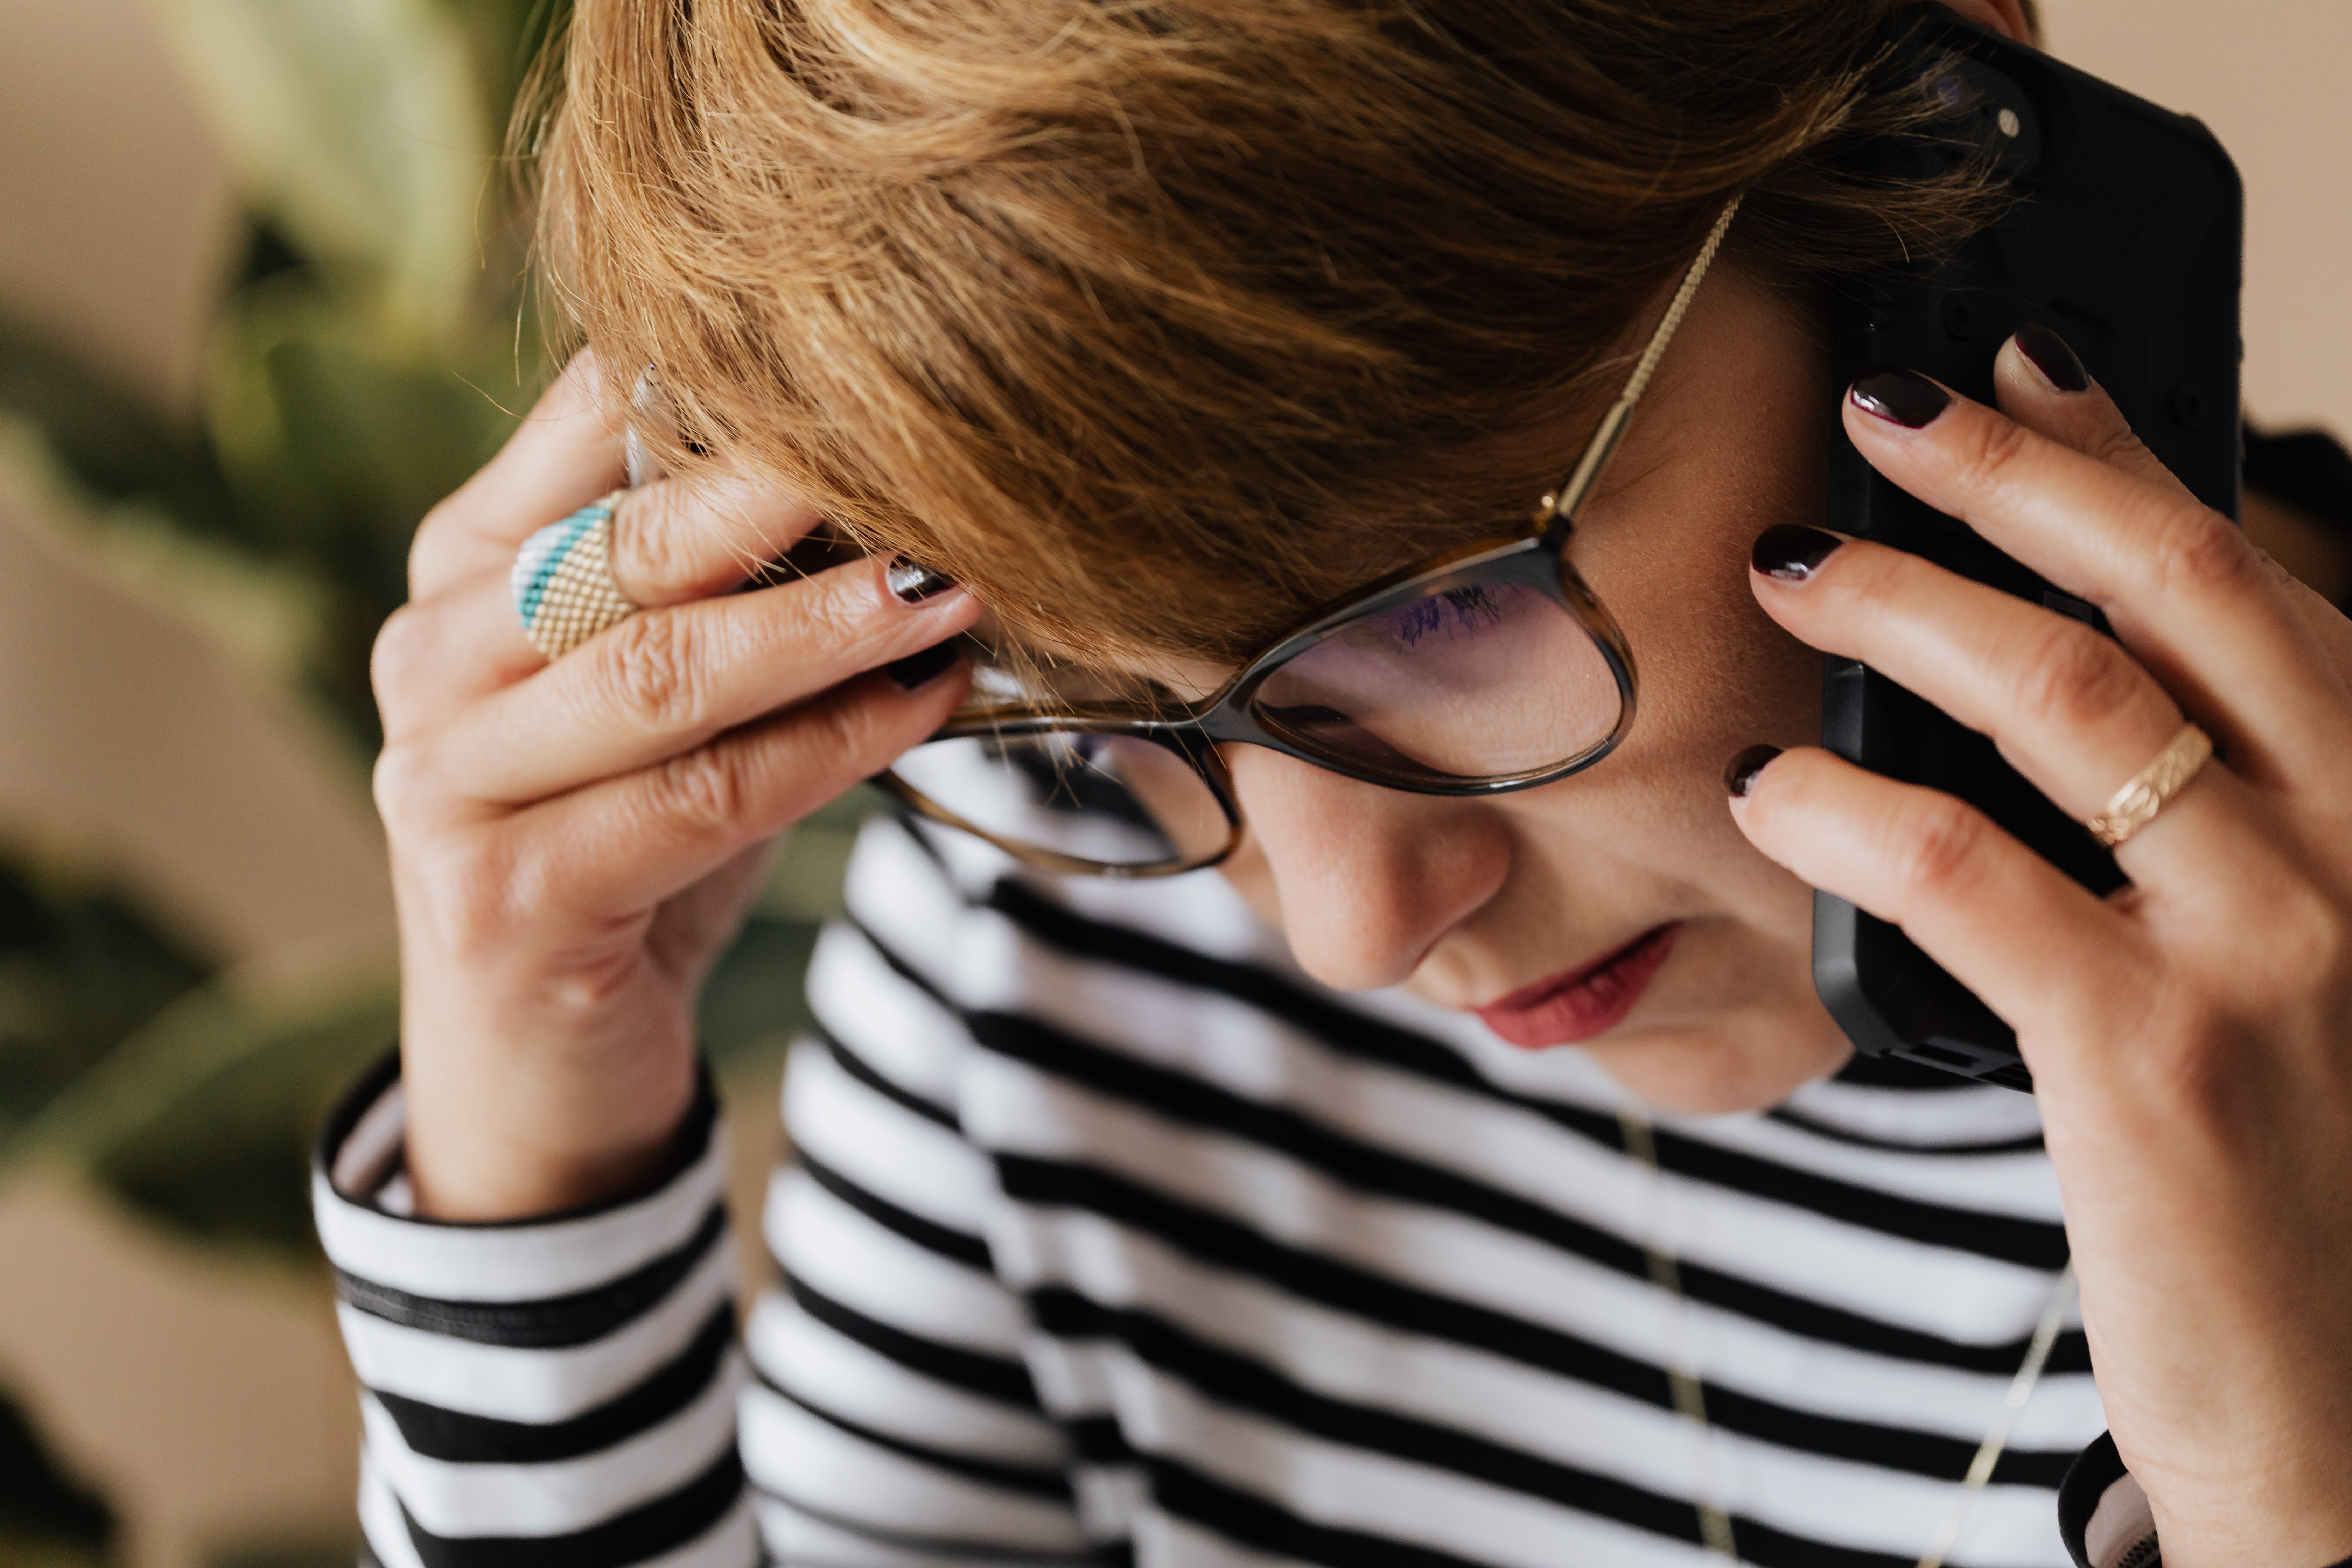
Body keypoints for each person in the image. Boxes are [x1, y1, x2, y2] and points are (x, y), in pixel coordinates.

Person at [319, 1, 2352, 1564]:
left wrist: (2291, 1483)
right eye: (1104, 699)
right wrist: (533, 1171)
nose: (1352, 931)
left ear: (1952, 155)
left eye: (1449, 608)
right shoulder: (1048, 928)